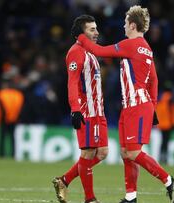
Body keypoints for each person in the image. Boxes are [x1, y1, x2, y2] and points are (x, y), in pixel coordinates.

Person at [78, 5, 174, 203]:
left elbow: (98, 50)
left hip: (136, 106)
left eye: (126, 23)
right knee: (126, 152)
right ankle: (131, 197)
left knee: (133, 152)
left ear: (133, 25)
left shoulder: (131, 44)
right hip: (135, 106)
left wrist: (81, 36)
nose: (124, 26)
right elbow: (154, 80)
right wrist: (152, 106)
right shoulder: (147, 48)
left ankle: (170, 181)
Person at [52, 15, 109, 203]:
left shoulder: (90, 52)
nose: (96, 32)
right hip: (87, 112)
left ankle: (64, 180)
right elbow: (72, 83)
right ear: (80, 33)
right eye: (92, 29)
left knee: (102, 153)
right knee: (88, 154)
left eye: (96, 28)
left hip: (98, 111)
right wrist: (75, 109)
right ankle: (90, 199)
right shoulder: (76, 52)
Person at [0, 80, 24, 157]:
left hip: (4, 120)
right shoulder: (18, 95)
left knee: (2, 138)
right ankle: (14, 154)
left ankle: (1, 154)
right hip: (14, 120)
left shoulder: (1, 94)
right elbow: (21, 108)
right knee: (13, 138)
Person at [156, 87, 174, 164]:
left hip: (163, 125)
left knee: (164, 142)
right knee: (165, 142)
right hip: (168, 125)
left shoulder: (161, 103)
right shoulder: (171, 102)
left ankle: (162, 157)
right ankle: (164, 157)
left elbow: (158, 114)